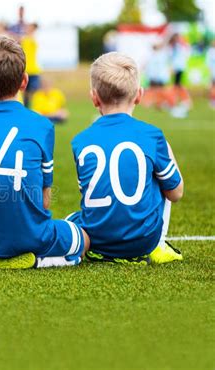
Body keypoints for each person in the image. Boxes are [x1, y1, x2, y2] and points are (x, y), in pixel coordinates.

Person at [0, 36, 90, 269]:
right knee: (84, 237)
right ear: (24, 81)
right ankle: (43, 260)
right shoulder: (42, 126)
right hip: (33, 236)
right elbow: (44, 201)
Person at [69, 52, 184, 265]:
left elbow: (86, 193)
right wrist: (166, 149)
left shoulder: (80, 141)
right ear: (139, 95)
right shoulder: (152, 135)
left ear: (94, 97)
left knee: (71, 220)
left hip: (96, 240)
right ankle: (158, 245)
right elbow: (176, 193)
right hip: (143, 242)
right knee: (161, 167)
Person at [168, 33, 192, 118]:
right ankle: (184, 101)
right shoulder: (176, 46)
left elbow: (176, 57)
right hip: (178, 67)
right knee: (177, 85)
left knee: (177, 86)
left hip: (178, 67)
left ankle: (184, 101)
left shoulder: (178, 47)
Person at [21, 23, 41, 106]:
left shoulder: (33, 39)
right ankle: (26, 107)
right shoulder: (23, 39)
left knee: (34, 90)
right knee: (24, 91)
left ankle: (34, 106)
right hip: (25, 70)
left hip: (34, 70)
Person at [206, 39, 215, 108]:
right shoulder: (211, 51)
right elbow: (208, 63)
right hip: (213, 72)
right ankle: (212, 100)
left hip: (212, 71)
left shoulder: (210, 51)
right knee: (213, 86)